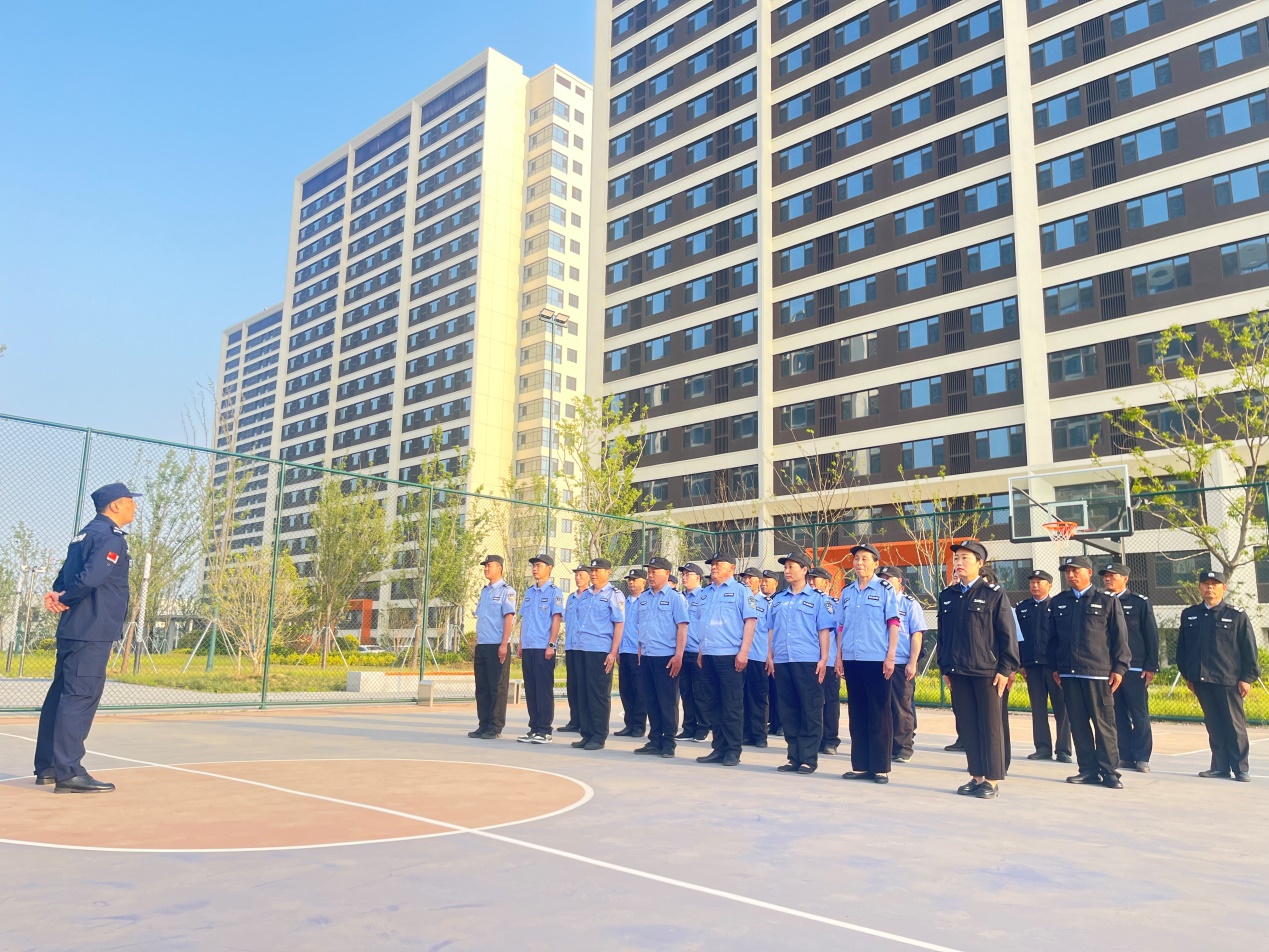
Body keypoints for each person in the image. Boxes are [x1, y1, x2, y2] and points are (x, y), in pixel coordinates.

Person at [35, 483, 139, 793]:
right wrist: (66, 597)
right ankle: (69, 772)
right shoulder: (111, 538)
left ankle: (48, 767)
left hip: (73, 628)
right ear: (115, 506)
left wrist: (58, 595)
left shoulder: (82, 536)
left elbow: (64, 577)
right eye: (130, 502)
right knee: (80, 697)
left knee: (61, 696)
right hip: (93, 629)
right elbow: (92, 578)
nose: (134, 507)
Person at [936, 540, 1019, 800]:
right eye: (956, 558)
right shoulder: (947, 596)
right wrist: (945, 667)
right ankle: (977, 776)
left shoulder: (994, 594)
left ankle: (992, 780)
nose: (958, 563)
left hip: (988, 672)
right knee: (969, 726)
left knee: (990, 726)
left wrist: (1005, 669)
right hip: (958, 671)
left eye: (965, 558)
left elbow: (1008, 635)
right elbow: (943, 636)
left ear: (980, 563)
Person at [1046, 555, 1130, 789]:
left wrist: (1120, 668)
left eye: (1076, 570)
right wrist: (1055, 667)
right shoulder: (1059, 602)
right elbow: (1052, 639)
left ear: (1089, 572)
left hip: (1098, 673)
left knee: (1104, 724)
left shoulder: (1106, 600)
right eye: (1068, 571)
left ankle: (1109, 772)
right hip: (1069, 673)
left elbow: (1120, 637)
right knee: (1078, 724)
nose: (1071, 575)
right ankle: (1087, 770)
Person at [1177, 569, 1260, 782]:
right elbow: (1182, 649)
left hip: (1228, 680)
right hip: (1201, 680)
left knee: (1234, 725)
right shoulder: (1190, 614)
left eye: (1214, 584)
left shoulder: (1236, 615)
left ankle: (1240, 768)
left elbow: (1249, 649)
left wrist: (1247, 678)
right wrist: (1189, 675)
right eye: (1206, 584)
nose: (1210, 588)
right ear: (1200, 587)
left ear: (1224, 588)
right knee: (1213, 725)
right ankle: (1220, 767)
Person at [836, 544, 902, 784]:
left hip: (876, 659)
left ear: (875, 563)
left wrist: (891, 656)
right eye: (856, 558)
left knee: (879, 714)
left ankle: (880, 767)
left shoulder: (885, 589)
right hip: (852, 658)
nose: (859, 563)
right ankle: (861, 765)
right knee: (857, 713)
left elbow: (893, 623)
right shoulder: (847, 592)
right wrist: (838, 656)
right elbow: (840, 626)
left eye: (865, 559)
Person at [766, 551, 835, 774]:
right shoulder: (778, 599)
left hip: (808, 661)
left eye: (791, 567)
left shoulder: (818, 599)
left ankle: (808, 758)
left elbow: (824, 630)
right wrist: (770, 656)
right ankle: (793, 757)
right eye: (785, 567)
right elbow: (771, 629)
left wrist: (824, 658)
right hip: (783, 660)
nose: (786, 571)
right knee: (789, 710)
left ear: (805, 570)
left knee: (810, 709)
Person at [692, 551, 760, 766]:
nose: (713, 566)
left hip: (730, 656)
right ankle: (718, 748)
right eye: (712, 563)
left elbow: (750, 621)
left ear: (731, 568)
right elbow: (703, 624)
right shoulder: (705, 593)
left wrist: (744, 652)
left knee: (731, 705)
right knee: (713, 705)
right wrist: (701, 651)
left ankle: (732, 750)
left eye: (718, 563)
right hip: (708, 655)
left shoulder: (741, 591)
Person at [1100, 563, 1158, 773]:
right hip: (1109, 668)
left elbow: (1151, 634)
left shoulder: (1139, 603)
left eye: (1112, 575)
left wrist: (1151, 665)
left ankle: (1142, 757)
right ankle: (1124, 755)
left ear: (1125, 579)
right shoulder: (1100, 601)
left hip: (1135, 668)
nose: (1107, 579)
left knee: (1139, 713)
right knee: (1117, 713)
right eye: (1106, 576)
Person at [632, 557, 690, 758]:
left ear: (666, 573)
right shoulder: (644, 598)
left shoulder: (675, 598)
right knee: (651, 700)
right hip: (647, 656)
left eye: (654, 572)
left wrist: (679, 655)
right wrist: (640, 651)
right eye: (649, 572)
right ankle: (654, 740)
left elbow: (682, 627)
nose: (650, 575)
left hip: (666, 657)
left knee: (667, 702)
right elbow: (641, 626)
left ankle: (668, 743)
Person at [1016, 569, 1071, 764]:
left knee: (1062, 709)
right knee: (1038, 708)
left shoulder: (1057, 606)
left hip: (1054, 666)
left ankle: (1063, 750)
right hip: (1032, 666)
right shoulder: (1022, 608)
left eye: (1039, 582)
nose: (1035, 585)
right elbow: (1018, 639)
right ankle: (1042, 748)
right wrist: (1021, 663)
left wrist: (1061, 665)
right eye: (1032, 582)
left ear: (1050, 585)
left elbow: (1064, 637)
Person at [572, 558, 625, 750]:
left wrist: (613, 652)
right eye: (592, 570)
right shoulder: (586, 595)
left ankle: (598, 735)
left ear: (608, 572)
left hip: (600, 651)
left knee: (598, 694)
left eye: (598, 570)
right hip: (582, 649)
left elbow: (619, 624)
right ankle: (586, 734)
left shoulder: (614, 595)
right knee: (583, 693)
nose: (593, 574)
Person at [877, 566, 925, 764]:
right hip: (878, 661)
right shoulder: (876, 602)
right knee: (882, 707)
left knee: (901, 706)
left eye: (889, 579)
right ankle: (886, 746)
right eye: (882, 579)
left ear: (900, 582)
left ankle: (903, 747)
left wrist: (912, 662)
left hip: (900, 662)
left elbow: (917, 634)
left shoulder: (909, 604)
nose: (885, 583)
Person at [516, 554, 563, 744]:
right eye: (534, 566)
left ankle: (545, 730)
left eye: (539, 565)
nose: (535, 569)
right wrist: (521, 643)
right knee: (531, 689)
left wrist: (551, 644)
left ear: (549, 568)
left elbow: (556, 619)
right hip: (528, 646)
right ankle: (534, 728)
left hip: (544, 647)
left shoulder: (554, 592)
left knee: (543, 689)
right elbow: (524, 619)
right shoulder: (529, 592)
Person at [470, 555, 516, 740]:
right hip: (482, 645)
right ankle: (483, 724)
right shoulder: (485, 591)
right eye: (485, 566)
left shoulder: (507, 591)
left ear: (500, 568)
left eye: (489, 565)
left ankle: (495, 726)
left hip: (498, 645)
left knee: (497, 687)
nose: (486, 569)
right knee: (482, 687)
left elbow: (509, 618)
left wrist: (504, 643)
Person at [809, 566, 842, 756]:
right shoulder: (806, 601)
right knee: (812, 702)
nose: (811, 582)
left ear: (827, 583)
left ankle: (830, 740)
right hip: (809, 660)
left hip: (829, 661)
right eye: (809, 579)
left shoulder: (832, 604)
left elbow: (839, 632)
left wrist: (838, 658)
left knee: (830, 701)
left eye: (815, 579)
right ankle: (814, 739)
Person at [676, 562, 708, 742]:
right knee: (686, 691)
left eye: (688, 574)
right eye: (683, 574)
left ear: (698, 578)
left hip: (698, 651)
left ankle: (703, 727)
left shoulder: (704, 596)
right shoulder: (679, 597)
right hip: (682, 651)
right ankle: (689, 727)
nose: (684, 577)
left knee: (700, 692)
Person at [615, 568, 648, 738]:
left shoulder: (647, 601)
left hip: (639, 652)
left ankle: (639, 726)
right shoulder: (624, 602)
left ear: (644, 582)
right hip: (624, 650)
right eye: (629, 580)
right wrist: (617, 650)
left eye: (635, 579)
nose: (631, 583)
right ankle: (629, 724)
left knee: (640, 690)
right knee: (626, 689)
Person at [558, 565, 591, 734]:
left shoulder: (591, 596)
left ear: (589, 576)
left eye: (581, 574)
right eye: (576, 575)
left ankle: (585, 722)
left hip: (584, 647)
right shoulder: (571, 598)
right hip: (571, 646)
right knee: (572, 685)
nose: (578, 578)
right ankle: (574, 720)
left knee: (584, 686)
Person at [738, 566, 769, 748]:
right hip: (741, 655)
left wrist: (770, 655)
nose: (747, 581)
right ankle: (745, 733)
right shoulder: (740, 600)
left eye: (751, 578)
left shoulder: (766, 604)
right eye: (745, 578)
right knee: (741, 696)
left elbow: (772, 630)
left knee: (758, 696)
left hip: (759, 655)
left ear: (760, 581)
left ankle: (759, 735)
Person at [761, 570, 783, 737]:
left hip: (778, 652)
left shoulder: (780, 599)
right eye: (762, 581)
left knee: (778, 690)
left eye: (767, 581)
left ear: (776, 583)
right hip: (762, 651)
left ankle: (780, 723)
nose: (763, 584)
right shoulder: (758, 601)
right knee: (767, 690)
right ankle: (772, 722)